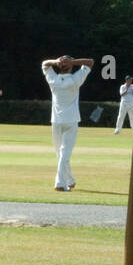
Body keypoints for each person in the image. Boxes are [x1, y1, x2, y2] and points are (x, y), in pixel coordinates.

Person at [41, 54, 94, 192]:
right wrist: (72, 62)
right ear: (70, 67)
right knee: (64, 154)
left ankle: (70, 180)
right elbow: (90, 62)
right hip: (71, 121)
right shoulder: (75, 80)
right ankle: (59, 183)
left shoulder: (53, 79)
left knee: (61, 154)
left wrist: (56, 61)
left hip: (56, 121)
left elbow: (44, 64)